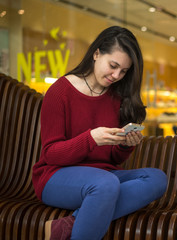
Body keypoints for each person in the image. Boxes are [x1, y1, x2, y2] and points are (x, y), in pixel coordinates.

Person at [32, 26, 168, 240]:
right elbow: (51, 154)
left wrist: (125, 145)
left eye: (123, 71)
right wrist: (91, 139)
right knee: (105, 184)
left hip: (103, 178)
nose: (116, 75)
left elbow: (113, 159)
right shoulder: (60, 91)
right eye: (113, 66)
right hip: (56, 177)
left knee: (156, 178)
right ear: (96, 54)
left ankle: (69, 225)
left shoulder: (117, 97)